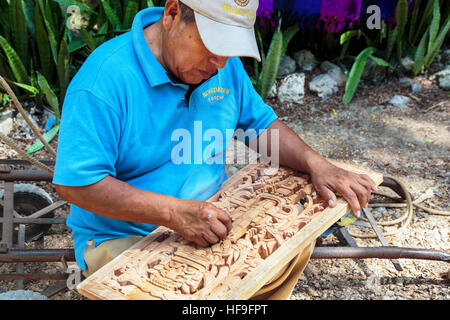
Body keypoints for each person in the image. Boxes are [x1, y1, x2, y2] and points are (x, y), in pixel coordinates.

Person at [53, 0, 377, 299]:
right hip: (126, 237)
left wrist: (317, 163)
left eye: (231, 48)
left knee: (293, 239)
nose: (220, 62)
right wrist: (173, 213)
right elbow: (76, 184)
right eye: (212, 44)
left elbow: (259, 124)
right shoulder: (103, 82)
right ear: (171, 14)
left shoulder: (221, 67)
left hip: (213, 217)